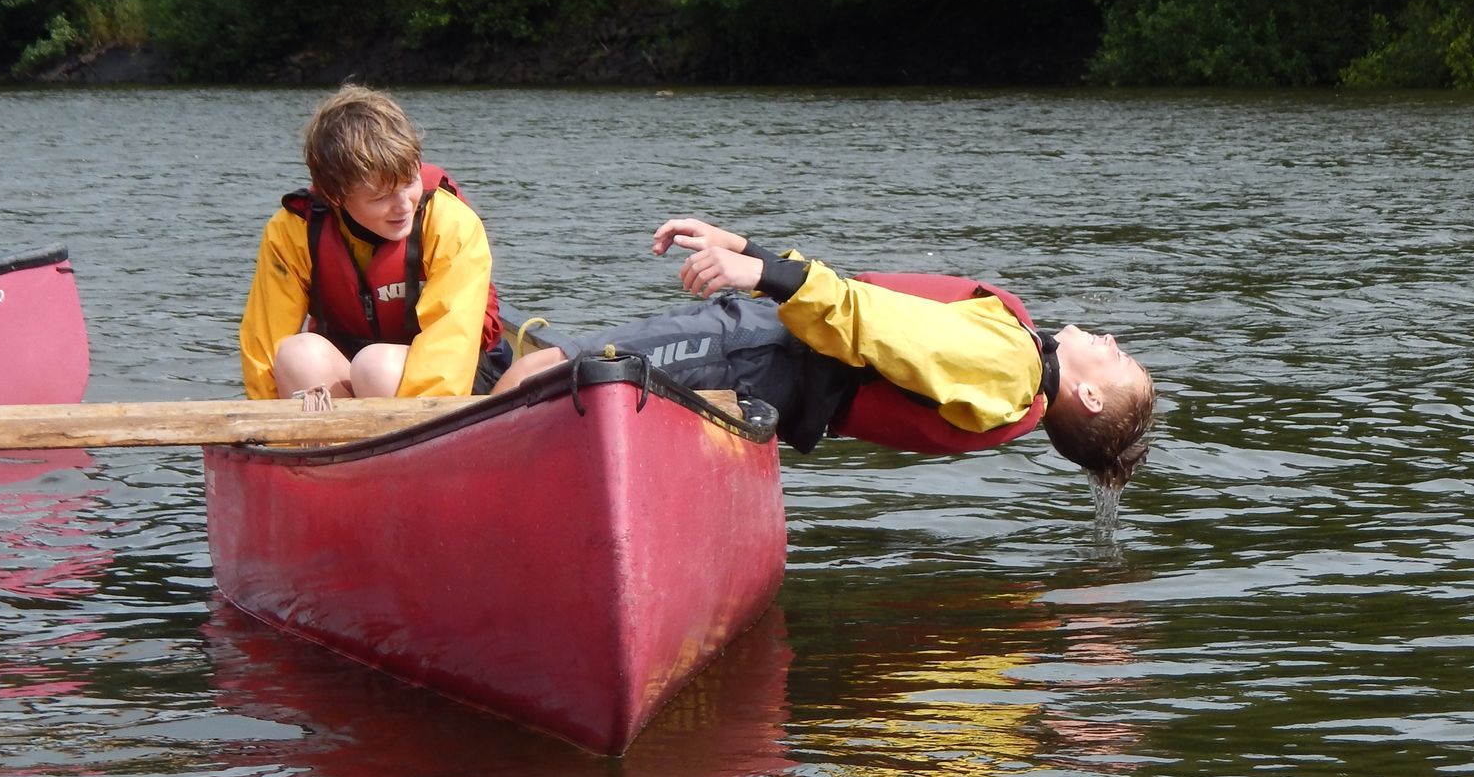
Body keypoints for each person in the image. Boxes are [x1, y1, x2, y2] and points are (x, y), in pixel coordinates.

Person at [493, 217, 1154, 489]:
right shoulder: (1012, 374)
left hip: (757, 355)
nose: (1113, 343)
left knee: (545, 372)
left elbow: (866, 321)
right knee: (535, 364)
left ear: (1089, 395)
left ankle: (466, 478)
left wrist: (759, 273)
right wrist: (750, 251)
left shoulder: (1009, 366)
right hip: (764, 352)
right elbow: (863, 312)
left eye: (1119, 362)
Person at [237, 84, 508, 401]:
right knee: (298, 354)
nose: (404, 205)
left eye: (410, 182)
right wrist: (264, 429)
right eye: (381, 197)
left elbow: (452, 345)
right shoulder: (292, 232)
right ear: (337, 197)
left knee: (375, 366)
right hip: (351, 368)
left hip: (455, 379)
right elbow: (265, 347)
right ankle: (330, 446)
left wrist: (423, 428)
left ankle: (397, 445)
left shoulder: (451, 223)